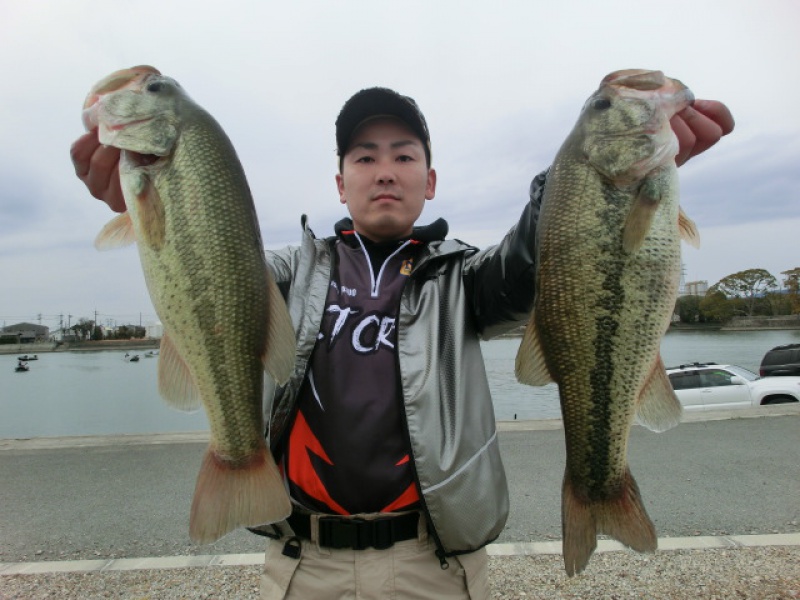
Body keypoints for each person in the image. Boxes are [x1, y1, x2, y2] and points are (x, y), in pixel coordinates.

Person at [71, 81, 734, 599]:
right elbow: (218, 265)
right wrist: (166, 201)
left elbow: (535, 265)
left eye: (404, 156)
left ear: (430, 180)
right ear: (340, 182)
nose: (384, 170)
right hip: (304, 568)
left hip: (436, 568)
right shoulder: (284, 272)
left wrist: (584, 183)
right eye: (365, 156)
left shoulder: (465, 279)